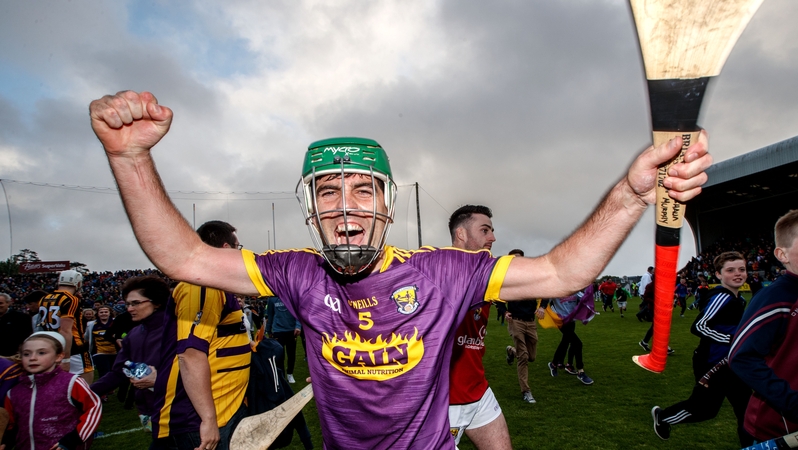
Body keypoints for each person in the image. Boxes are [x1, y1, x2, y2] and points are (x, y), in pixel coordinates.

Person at [89, 90, 711, 448]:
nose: (346, 209)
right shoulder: (297, 273)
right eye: (328, 192)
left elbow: (558, 274)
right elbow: (182, 257)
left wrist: (629, 197)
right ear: (310, 209)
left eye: (363, 191)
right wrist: (130, 158)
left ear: (387, 206)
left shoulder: (441, 271)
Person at [151, 220, 251, 450]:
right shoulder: (202, 285)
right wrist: (207, 418)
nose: (240, 253)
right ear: (226, 249)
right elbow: (191, 354)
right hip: (199, 416)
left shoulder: (216, 285)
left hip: (225, 406)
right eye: (238, 247)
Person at [651, 252, 753, 446]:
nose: (738, 274)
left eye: (742, 269)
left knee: (747, 409)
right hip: (712, 363)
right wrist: (731, 339)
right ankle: (663, 417)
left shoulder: (738, 299)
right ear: (718, 274)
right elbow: (698, 326)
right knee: (705, 410)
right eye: (730, 270)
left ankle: (751, 446)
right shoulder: (722, 298)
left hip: (731, 363)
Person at [728, 210, 798, 443]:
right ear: (782, 254)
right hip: (777, 430)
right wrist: (795, 404)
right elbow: (741, 357)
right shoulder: (777, 297)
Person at [446, 205, 511, 449]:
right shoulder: (438, 273)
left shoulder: (485, 274)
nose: (492, 237)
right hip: (444, 400)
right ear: (461, 234)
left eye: (492, 230)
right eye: (485, 230)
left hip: (478, 391)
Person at [92, 275, 170, 441]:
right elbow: (119, 372)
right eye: (127, 304)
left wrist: (161, 380)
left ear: (157, 302)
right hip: (150, 412)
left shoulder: (177, 330)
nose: (129, 309)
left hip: (181, 413)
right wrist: (84, 392)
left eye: (135, 303)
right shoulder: (134, 334)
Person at [3, 331, 102, 450]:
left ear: (59, 356)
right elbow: (12, 426)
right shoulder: (13, 392)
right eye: (26, 354)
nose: (33, 358)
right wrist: (6, 442)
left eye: (41, 353)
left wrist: (72, 440)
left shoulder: (71, 382)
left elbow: (94, 408)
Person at [38, 270, 94, 383]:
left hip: (53, 346)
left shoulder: (44, 298)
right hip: (74, 349)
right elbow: (65, 330)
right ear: (78, 283)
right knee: (86, 386)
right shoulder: (71, 299)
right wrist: (66, 359)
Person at [504, 249, 541, 404]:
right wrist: (504, 311)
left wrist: (542, 307)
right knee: (524, 358)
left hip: (530, 322)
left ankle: (511, 351)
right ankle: (526, 391)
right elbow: (497, 297)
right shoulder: (506, 278)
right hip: (516, 321)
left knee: (531, 357)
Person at [541, 285, 595, 385]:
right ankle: (581, 371)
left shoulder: (574, 289)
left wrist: (589, 289)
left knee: (565, 342)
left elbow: (583, 299)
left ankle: (554, 364)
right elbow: (545, 298)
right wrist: (542, 307)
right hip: (562, 321)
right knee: (577, 343)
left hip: (571, 321)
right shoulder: (555, 290)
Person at [266, 296, 302, 384]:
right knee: (279, 355)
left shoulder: (291, 295)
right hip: (278, 330)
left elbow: (298, 312)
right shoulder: (272, 298)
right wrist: (268, 329)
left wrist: (298, 326)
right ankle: (282, 375)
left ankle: (290, 374)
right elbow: (270, 314)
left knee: (291, 354)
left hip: (291, 330)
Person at [85, 304, 117, 381]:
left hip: (115, 352)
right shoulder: (91, 324)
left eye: (106, 312)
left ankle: (112, 386)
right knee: (104, 373)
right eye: (101, 312)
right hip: (99, 352)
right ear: (98, 314)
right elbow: (86, 337)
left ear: (110, 313)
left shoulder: (116, 322)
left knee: (115, 372)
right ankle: (104, 387)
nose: (103, 314)